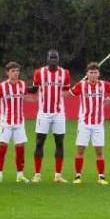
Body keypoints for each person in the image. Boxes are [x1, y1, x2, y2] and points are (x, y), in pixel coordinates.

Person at [69, 63, 110, 184]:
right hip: (84, 123)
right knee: (80, 149)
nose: (93, 75)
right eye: (91, 72)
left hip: (98, 123)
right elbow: (71, 92)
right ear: (87, 74)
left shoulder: (104, 85)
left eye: (95, 72)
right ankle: (78, 176)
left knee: (99, 150)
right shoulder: (81, 85)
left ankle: (101, 177)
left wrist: (109, 100)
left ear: (99, 74)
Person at [32, 50, 70, 183]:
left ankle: (58, 175)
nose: (53, 60)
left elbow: (66, 90)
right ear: (47, 59)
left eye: (55, 58)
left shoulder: (65, 73)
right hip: (43, 113)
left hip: (59, 113)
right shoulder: (39, 72)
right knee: (39, 142)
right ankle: (37, 174)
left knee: (59, 142)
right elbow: (34, 89)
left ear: (58, 59)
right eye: (51, 58)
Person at [0, 62, 30, 183]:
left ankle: (20, 175)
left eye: (17, 71)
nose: (16, 73)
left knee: (20, 150)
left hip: (19, 123)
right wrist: (1, 106)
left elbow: (26, 97)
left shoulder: (22, 84)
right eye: (13, 71)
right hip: (6, 123)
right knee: (2, 149)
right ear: (7, 72)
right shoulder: (1, 86)